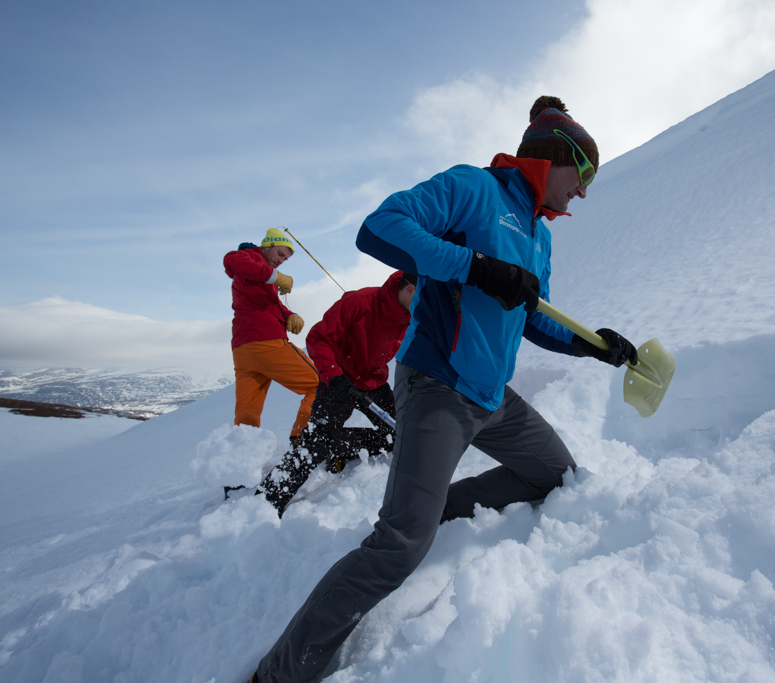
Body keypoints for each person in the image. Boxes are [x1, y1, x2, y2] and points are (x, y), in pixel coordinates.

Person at [249, 96, 636, 683]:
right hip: (438, 387)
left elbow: (532, 314)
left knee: (555, 474)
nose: (583, 193)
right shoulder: (473, 189)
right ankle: (277, 673)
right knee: (399, 547)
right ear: (555, 157)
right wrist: (475, 266)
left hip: (492, 398)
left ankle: (440, 510)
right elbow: (378, 227)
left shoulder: (540, 234)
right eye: (584, 175)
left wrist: (592, 343)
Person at [258, 270, 417, 515]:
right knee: (315, 442)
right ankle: (266, 500)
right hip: (339, 380)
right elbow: (317, 337)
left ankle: (339, 447)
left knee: (400, 435)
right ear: (411, 290)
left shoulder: (411, 316)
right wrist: (334, 376)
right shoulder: (360, 302)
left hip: (373, 381)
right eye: (424, 298)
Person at [223, 228, 318, 447]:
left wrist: (290, 315)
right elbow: (231, 260)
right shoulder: (248, 259)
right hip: (267, 343)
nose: (281, 261)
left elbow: (269, 306)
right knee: (320, 383)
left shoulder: (258, 274)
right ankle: (303, 439)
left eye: (285, 259)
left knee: (248, 409)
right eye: (280, 254)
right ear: (267, 246)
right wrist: (275, 277)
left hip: (243, 349)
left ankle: (240, 464)